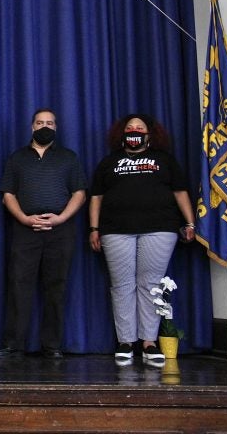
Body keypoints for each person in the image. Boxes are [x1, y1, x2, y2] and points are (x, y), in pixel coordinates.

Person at [88, 114, 195, 365]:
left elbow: (180, 192)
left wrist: (189, 222)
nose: (134, 131)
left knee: (151, 284)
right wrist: (94, 228)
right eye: (129, 128)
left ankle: (149, 342)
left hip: (160, 228)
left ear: (150, 134)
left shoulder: (165, 160)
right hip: (115, 230)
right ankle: (125, 342)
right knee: (122, 284)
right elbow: (96, 197)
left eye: (139, 128)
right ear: (120, 133)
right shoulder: (109, 163)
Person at [0, 108, 87, 359]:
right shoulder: (17, 158)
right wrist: (24, 218)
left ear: (56, 127)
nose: (45, 126)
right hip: (25, 230)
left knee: (56, 288)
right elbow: (8, 194)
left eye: (50, 123)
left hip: (61, 230)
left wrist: (61, 218)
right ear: (32, 127)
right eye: (40, 122)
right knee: (18, 286)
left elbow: (79, 193)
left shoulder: (69, 158)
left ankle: (52, 345)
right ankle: (13, 344)